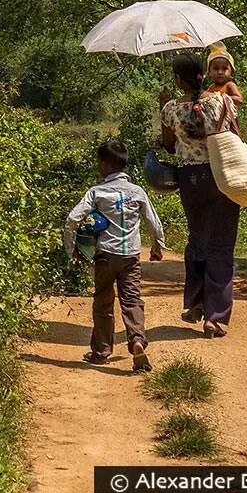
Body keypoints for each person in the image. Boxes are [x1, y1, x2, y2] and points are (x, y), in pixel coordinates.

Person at [63, 140, 166, 371]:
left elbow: (72, 219)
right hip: (130, 255)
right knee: (131, 300)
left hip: (104, 256)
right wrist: (157, 246)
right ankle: (137, 340)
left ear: (106, 166)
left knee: (103, 302)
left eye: (100, 163)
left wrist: (71, 249)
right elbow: (153, 222)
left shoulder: (96, 192)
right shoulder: (137, 192)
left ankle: (101, 351)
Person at [159, 52, 241, 338]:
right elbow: (234, 136)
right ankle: (215, 317)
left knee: (198, 238)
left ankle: (195, 302)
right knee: (221, 243)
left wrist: (162, 107)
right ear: (203, 74)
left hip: (190, 180)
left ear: (178, 80)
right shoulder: (222, 101)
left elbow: (169, 146)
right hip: (221, 177)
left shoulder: (170, 109)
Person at [204, 43, 244, 109]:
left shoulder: (229, 85)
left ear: (231, 72)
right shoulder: (211, 87)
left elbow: (239, 100)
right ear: (209, 72)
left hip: (228, 118)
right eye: (216, 69)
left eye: (225, 69)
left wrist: (221, 98)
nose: (220, 72)